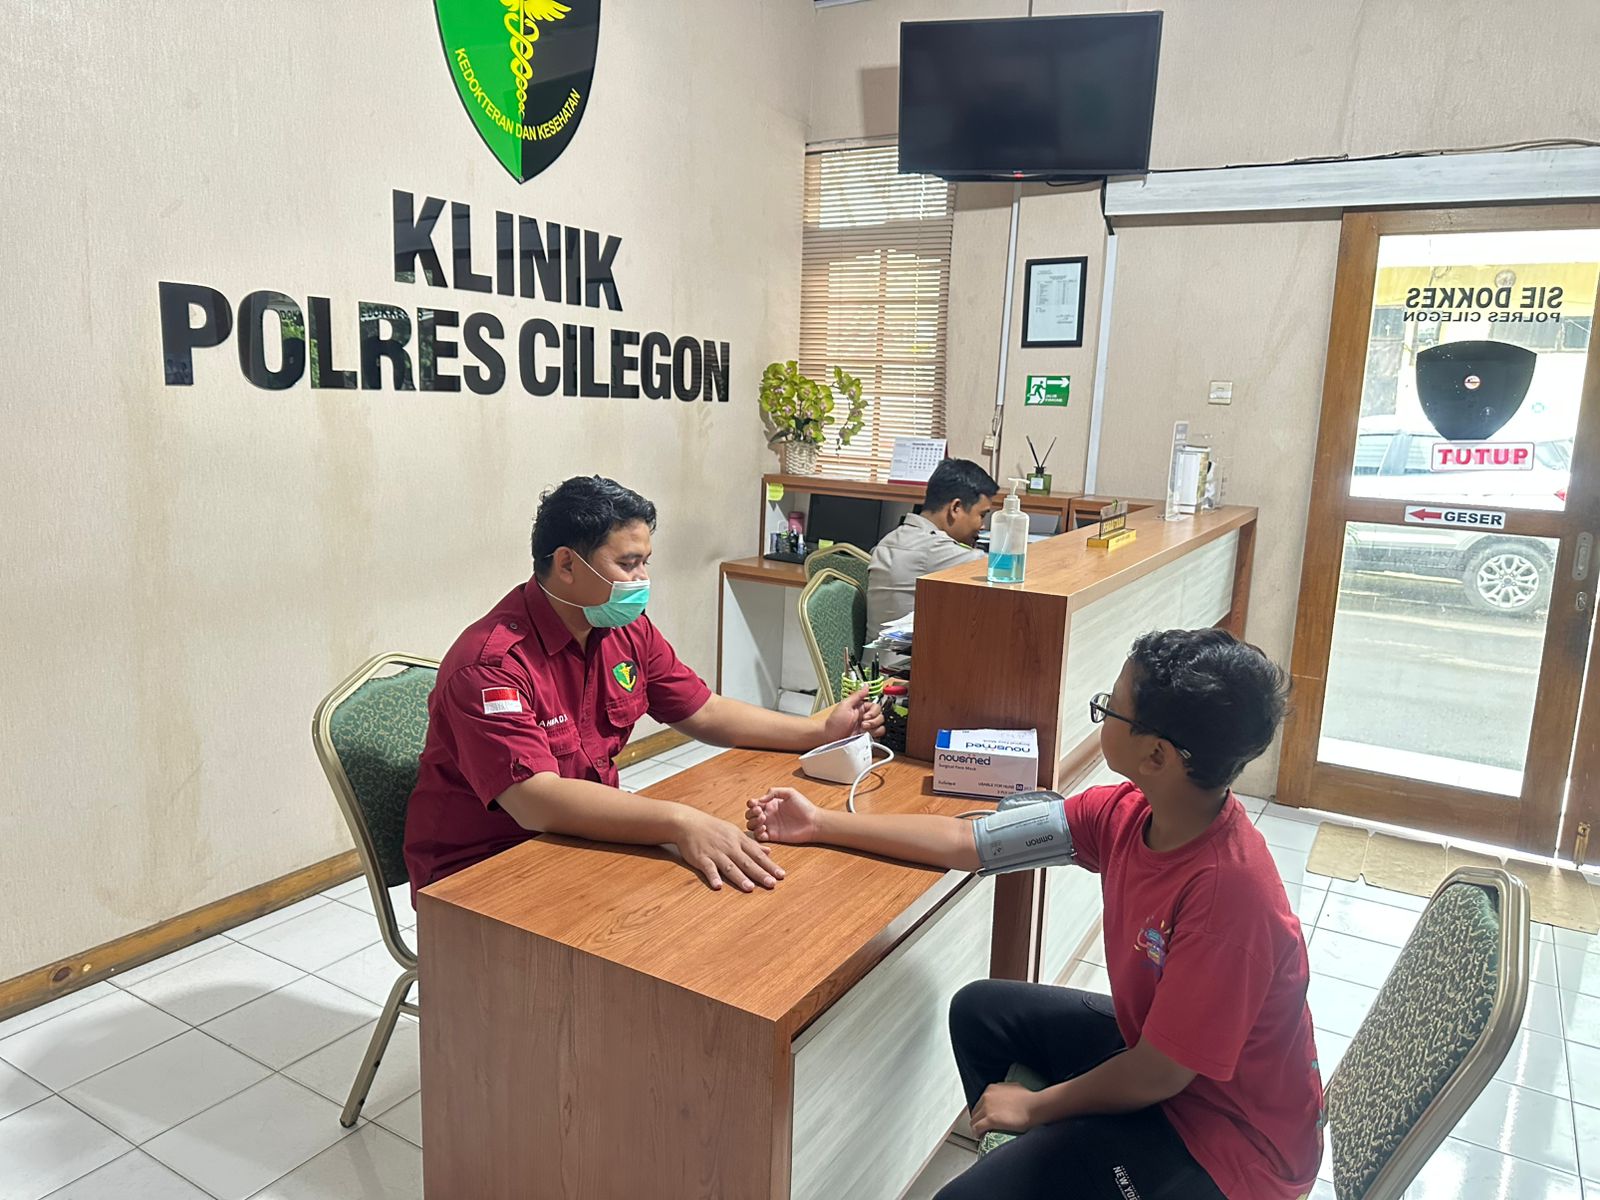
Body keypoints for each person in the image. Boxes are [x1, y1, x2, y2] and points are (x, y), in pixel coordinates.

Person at [746, 629, 1322, 1200]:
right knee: (983, 1012)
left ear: (1157, 755)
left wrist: (1037, 1106)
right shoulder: (1128, 813)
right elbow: (971, 842)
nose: (1102, 716)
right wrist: (819, 823)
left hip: (1230, 1148)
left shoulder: (1229, 899)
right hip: (1171, 1074)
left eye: (1111, 708)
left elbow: (1158, 1073)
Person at [403, 475, 883, 897]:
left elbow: (704, 711)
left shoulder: (623, 629)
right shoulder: (490, 666)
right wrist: (678, 820)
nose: (643, 579)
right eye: (629, 563)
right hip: (483, 873)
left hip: (579, 839)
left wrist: (816, 732)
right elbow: (535, 801)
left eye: (645, 562)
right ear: (567, 565)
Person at [866, 458, 1000, 671]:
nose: (982, 526)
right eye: (981, 515)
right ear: (956, 508)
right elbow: (1001, 570)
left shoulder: (894, 538)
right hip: (899, 677)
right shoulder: (933, 549)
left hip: (876, 669)